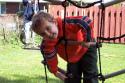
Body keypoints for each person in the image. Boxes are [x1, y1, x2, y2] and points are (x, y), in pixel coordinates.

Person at [31, 11, 99, 83]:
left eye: (48, 28)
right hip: (72, 57)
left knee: (90, 76)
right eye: (43, 34)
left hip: (86, 49)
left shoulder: (67, 24)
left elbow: (85, 21)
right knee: (72, 78)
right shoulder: (48, 43)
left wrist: (87, 40)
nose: (48, 34)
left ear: (54, 22)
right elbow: (50, 58)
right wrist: (55, 72)